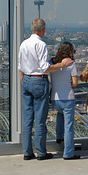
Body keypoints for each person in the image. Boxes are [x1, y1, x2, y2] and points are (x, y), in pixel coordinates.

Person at [18, 19, 73, 161]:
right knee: (40, 119)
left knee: (27, 118)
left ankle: (27, 152)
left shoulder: (23, 44)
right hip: (38, 79)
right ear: (43, 30)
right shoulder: (41, 44)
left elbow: (20, 66)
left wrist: (24, 80)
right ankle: (41, 152)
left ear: (31, 29)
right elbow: (45, 68)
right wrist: (62, 64)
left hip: (26, 80)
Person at [50, 42, 79, 160]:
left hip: (55, 98)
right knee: (69, 127)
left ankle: (59, 137)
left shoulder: (52, 62)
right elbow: (75, 83)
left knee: (60, 116)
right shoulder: (71, 64)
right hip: (68, 98)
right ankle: (68, 153)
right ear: (71, 52)